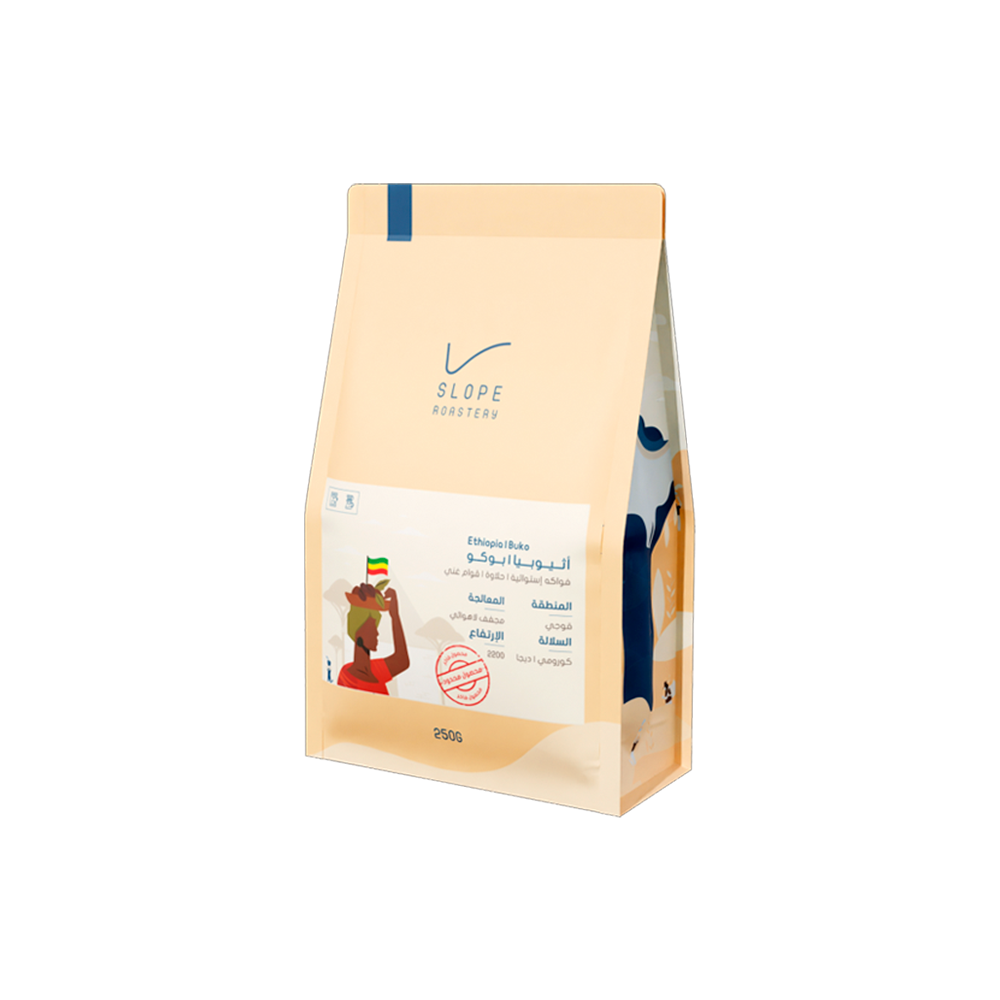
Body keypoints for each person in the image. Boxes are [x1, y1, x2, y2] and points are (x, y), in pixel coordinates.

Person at [338, 582, 410, 695]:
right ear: (359, 635)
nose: (377, 633)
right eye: (372, 629)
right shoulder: (347, 677)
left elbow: (402, 661)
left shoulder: (375, 670)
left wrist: (395, 615)